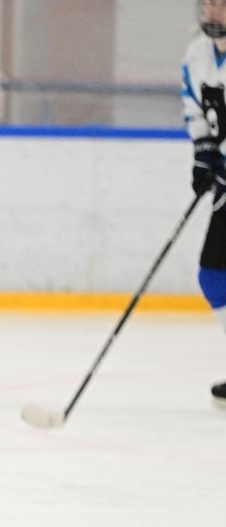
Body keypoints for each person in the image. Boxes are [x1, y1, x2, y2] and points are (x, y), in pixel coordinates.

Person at [183, 0, 226, 408]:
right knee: (213, 275)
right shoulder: (197, 54)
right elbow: (196, 110)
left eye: (223, 5)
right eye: (209, 3)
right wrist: (204, 153)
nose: (214, 11)